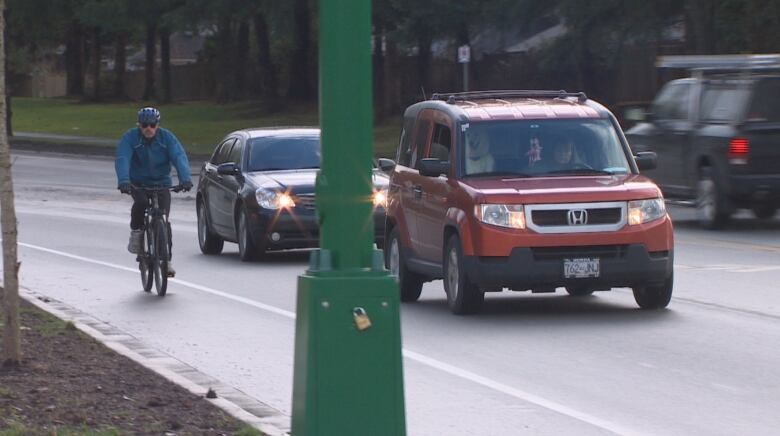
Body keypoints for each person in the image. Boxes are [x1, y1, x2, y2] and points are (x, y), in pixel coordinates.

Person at [115, 107, 193, 277]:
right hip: (138, 184)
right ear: (139, 125)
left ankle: (167, 261)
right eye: (144, 125)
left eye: (152, 125)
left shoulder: (167, 138)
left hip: (162, 183)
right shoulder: (130, 138)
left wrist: (185, 179)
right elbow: (123, 158)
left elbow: (179, 156)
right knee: (141, 203)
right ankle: (136, 233)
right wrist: (124, 181)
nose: (148, 129)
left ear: (157, 125)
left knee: (164, 219)